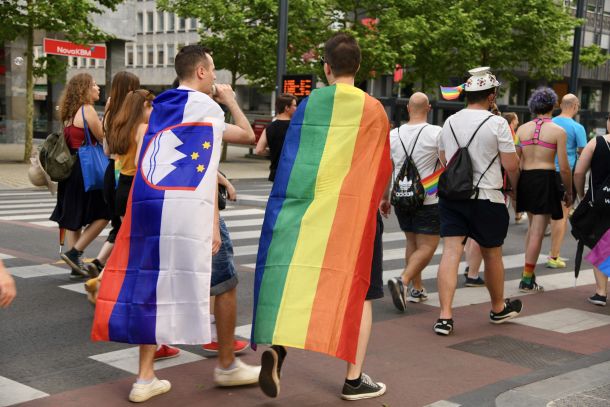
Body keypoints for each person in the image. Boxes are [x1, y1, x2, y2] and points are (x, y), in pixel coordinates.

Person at [92, 45, 258, 403]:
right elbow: (242, 140)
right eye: (213, 71)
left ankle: (145, 377)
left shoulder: (161, 105)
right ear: (200, 72)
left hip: (151, 206)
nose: (216, 77)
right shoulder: (208, 108)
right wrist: (230, 100)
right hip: (188, 211)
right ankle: (227, 364)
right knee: (226, 282)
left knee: (154, 283)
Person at [254, 33, 391, 401]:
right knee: (361, 290)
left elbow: (297, 163)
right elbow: (381, 164)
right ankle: (354, 377)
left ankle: (280, 349)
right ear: (358, 67)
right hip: (355, 215)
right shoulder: (374, 109)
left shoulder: (309, 105)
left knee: (299, 276)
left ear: (325, 68)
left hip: (312, 212)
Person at [434, 67, 522, 336]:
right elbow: (511, 165)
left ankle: (445, 316)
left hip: (453, 196)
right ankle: (498, 308)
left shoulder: (450, 122)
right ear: (492, 95)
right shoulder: (498, 124)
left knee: (451, 252)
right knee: (492, 253)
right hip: (488, 197)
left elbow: (442, 158)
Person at [50, 73, 110, 280]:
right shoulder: (87, 110)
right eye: (94, 85)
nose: (98, 88)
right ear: (84, 89)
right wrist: (108, 113)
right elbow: (104, 138)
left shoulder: (69, 112)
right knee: (104, 213)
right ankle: (75, 253)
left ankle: (74, 263)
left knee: (74, 218)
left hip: (71, 170)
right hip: (86, 170)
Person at [386, 92, 442, 311]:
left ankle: (416, 289)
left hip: (401, 196)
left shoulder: (393, 135)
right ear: (428, 108)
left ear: (408, 108)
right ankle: (404, 280)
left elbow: (388, 169)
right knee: (428, 245)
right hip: (428, 197)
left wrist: (385, 197)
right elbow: (445, 162)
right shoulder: (437, 133)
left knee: (412, 242)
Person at [516, 88, 571, 292]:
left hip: (526, 179)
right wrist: (570, 190)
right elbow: (564, 167)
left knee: (532, 229)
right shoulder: (558, 131)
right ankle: (527, 279)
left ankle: (528, 272)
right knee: (538, 231)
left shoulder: (521, 129)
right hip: (545, 179)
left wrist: (514, 187)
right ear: (553, 105)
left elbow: (515, 161)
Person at [86, 71, 141, 277]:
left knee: (119, 224)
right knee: (126, 227)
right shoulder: (134, 115)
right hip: (125, 174)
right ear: (130, 89)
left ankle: (100, 262)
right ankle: (106, 271)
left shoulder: (109, 110)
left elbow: (107, 149)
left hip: (111, 171)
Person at [574, 120, 610, 306]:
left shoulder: (596, 143)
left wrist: (581, 195)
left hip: (600, 203)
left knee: (600, 242)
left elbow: (579, 173)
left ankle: (601, 292)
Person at [549, 94, 587, 268]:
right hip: (564, 174)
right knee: (561, 216)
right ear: (574, 106)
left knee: (542, 218)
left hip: (544, 172)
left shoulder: (550, 123)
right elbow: (583, 153)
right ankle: (554, 256)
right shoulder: (577, 127)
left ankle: (531, 260)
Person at [254, 93, 298, 182]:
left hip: (276, 173)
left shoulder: (269, 127)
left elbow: (259, 150)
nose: (296, 109)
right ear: (287, 107)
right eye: (294, 106)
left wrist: (274, 152)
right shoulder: (296, 127)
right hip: (293, 173)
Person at [502, 112, 526, 224]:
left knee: (508, 193)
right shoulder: (512, 134)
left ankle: (517, 215)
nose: (518, 122)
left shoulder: (502, 130)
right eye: (516, 119)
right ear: (512, 121)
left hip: (501, 168)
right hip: (508, 168)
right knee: (513, 192)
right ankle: (517, 215)